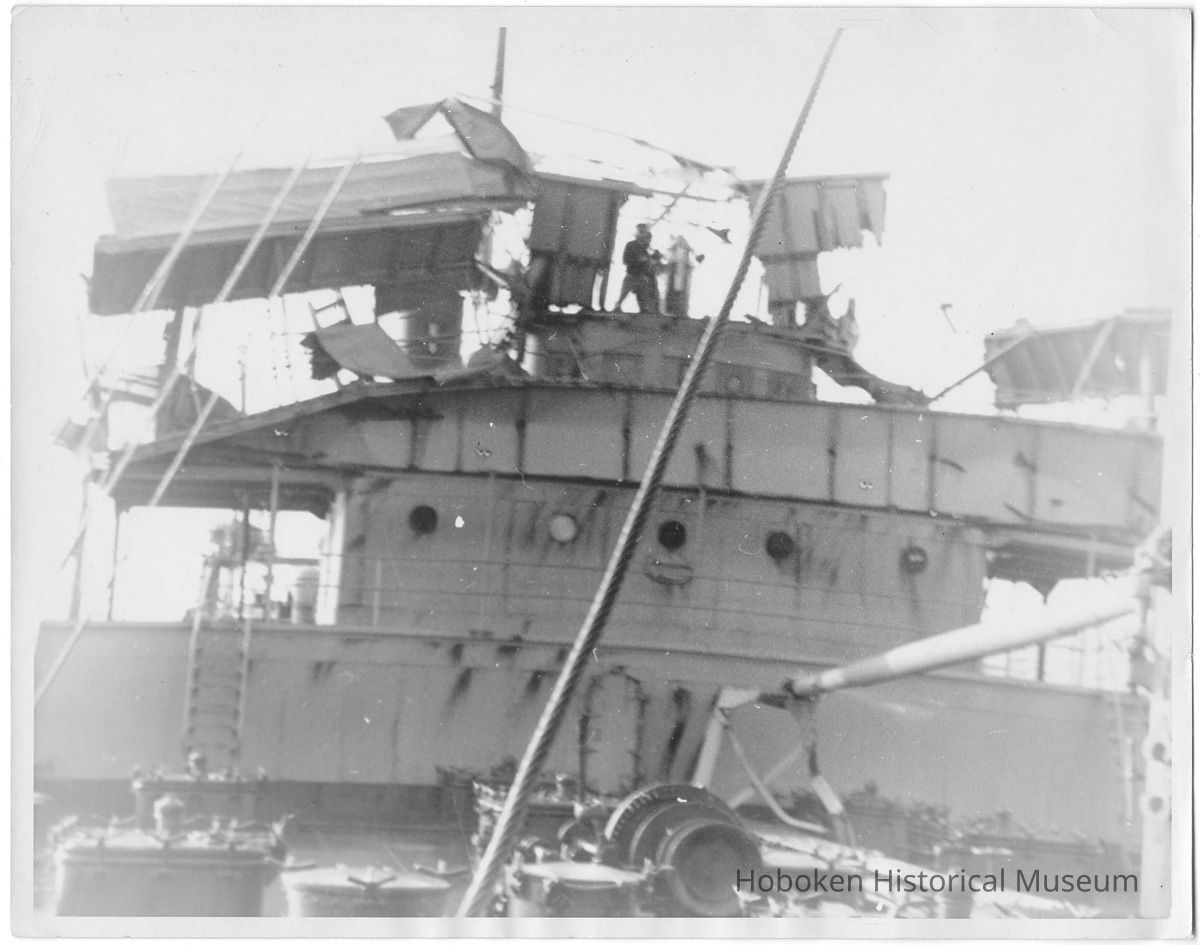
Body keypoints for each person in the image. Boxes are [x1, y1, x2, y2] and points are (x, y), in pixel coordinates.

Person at [614, 224, 663, 314]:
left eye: (644, 232)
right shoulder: (631, 245)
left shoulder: (646, 247)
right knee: (622, 296)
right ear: (637, 233)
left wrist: (654, 257)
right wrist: (638, 260)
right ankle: (618, 306)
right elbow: (625, 260)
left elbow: (652, 257)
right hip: (631, 275)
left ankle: (644, 310)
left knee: (644, 299)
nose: (642, 234)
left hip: (641, 277)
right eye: (641, 232)